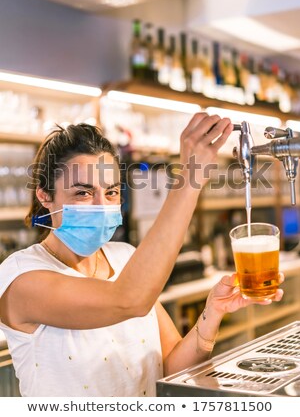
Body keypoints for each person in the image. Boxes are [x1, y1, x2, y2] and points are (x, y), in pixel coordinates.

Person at [0, 113, 284, 397]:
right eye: (83, 193)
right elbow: (127, 301)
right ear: (45, 197)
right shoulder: (20, 277)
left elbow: (173, 368)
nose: (101, 206)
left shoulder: (125, 257)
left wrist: (214, 311)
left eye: (111, 192)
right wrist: (191, 176)